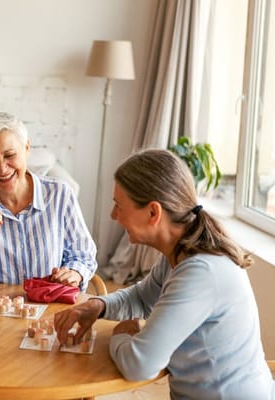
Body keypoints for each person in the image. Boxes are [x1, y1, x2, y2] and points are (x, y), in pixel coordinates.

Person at [54, 149, 274, 399]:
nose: (113, 215)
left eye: (118, 206)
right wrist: (96, 306)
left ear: (153, 213)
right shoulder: (179, 253)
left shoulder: (200, 272)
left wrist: (121, 335)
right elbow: (140, 298)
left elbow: (140, 365)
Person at [0, 111, 97, 290]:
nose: (2, 169)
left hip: (48, 307)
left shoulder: (60, 194)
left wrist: (74, 273)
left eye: (9, 155)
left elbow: (84, 256)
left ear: (26, 148)